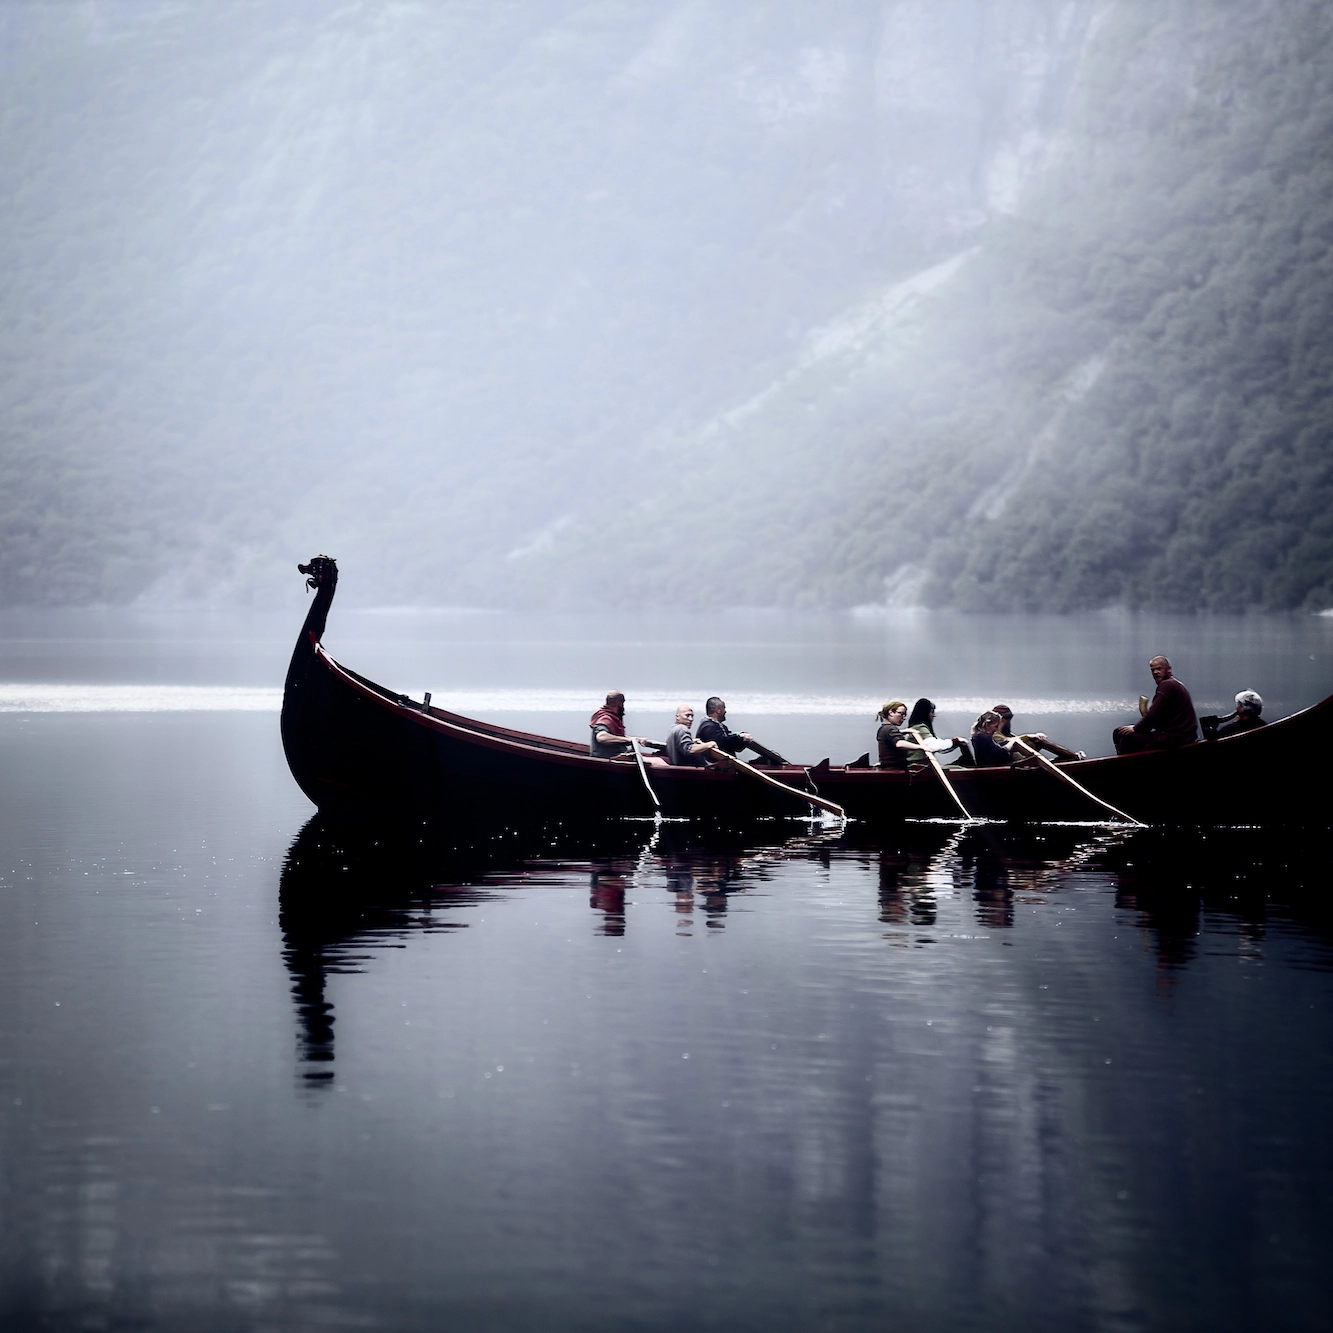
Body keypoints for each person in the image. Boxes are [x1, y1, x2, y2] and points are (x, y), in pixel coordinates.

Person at [1113, 657, 1198, 754]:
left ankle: (1124, 765)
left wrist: (1135, 728)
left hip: (1175, 738)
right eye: (1152, 670)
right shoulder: (1175, 685)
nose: (1155, 672)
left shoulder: (1167, 685)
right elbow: (1157, 719)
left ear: (1168, 669)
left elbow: (1152, 715)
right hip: (1180, 736)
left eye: (1159, 669)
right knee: (1122, 732)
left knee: (1123, 735)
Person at [696, 697, 788, 765]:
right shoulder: (708, 726)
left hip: (726, 766)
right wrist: (740, 738)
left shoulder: (718, 725)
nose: (726, 711)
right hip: (716, 768)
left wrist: (742, 737)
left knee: (762, 762)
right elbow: (722, 742)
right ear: (718, 710)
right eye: (724, 708)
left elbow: (733, 743)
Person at [993, 704, 1084, 762]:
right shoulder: (994, 735)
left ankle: (1072, 757)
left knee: (1038, 741)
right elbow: (1008, 742)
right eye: (1009, 720)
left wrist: (1036, 740)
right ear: (1002, 720)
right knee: (1037, 741)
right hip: (1016, 766)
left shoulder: (1007, 734)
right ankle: (1074, 758)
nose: (1010, 723)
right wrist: (1028, 737)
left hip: (1025, 762)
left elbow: (1020, 742)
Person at [588, 691, 657, 758]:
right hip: (609, 759)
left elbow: (616, 736)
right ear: (619, 703)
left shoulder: (612, 717)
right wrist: (630, 740)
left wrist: (636, 739)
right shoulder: (605, 718)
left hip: (617, 756)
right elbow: (602, 737)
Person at [905, 698, 966, 770]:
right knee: (959, 769)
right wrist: (953, 742)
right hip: (918, 768)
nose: (934, 715)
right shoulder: (919, 728)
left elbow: (938, 743)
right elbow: (933, 746)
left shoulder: (917, 727)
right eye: (932, 712)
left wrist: (955, 743)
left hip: (920, 767)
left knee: (957, 766)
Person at [876, 700, 926, 769]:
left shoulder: (884, 728)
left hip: (888, 767)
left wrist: (904, 731)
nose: (904, 717)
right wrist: (920, 747)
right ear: (891, 713)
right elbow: (899, 743)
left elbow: (891, 735)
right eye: (901, 714)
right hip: (894, 769)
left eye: (905, 714)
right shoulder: (890, 729)